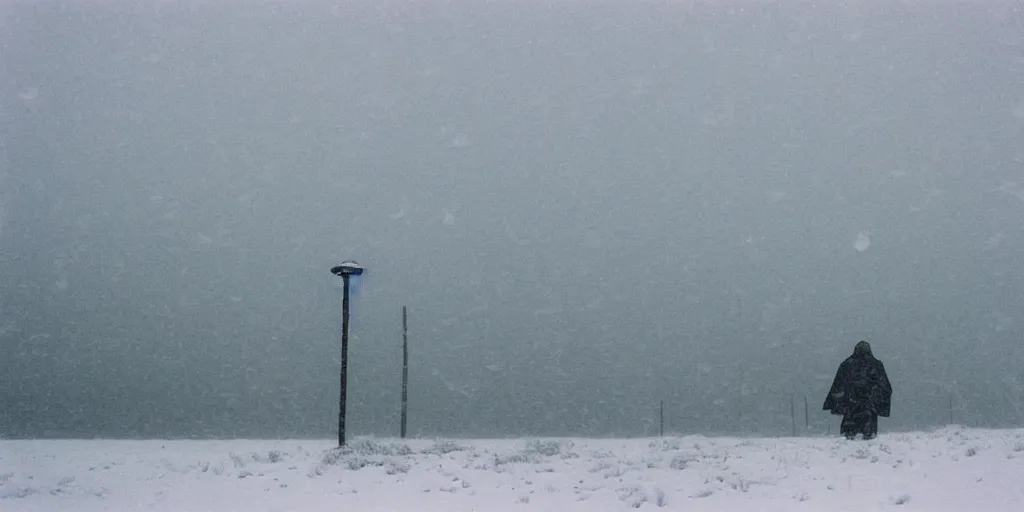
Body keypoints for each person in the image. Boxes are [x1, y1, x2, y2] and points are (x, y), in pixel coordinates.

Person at [823, 341, 892, 440]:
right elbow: (884, 387)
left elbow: (838, 385)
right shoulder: (876, 365)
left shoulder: (847, 364)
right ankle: (867, 440)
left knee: (849, 435)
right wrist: (879, 401)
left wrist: (837, 403)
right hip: (869, 406)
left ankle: (849, 441)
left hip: (851, 405)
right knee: (868, 436)